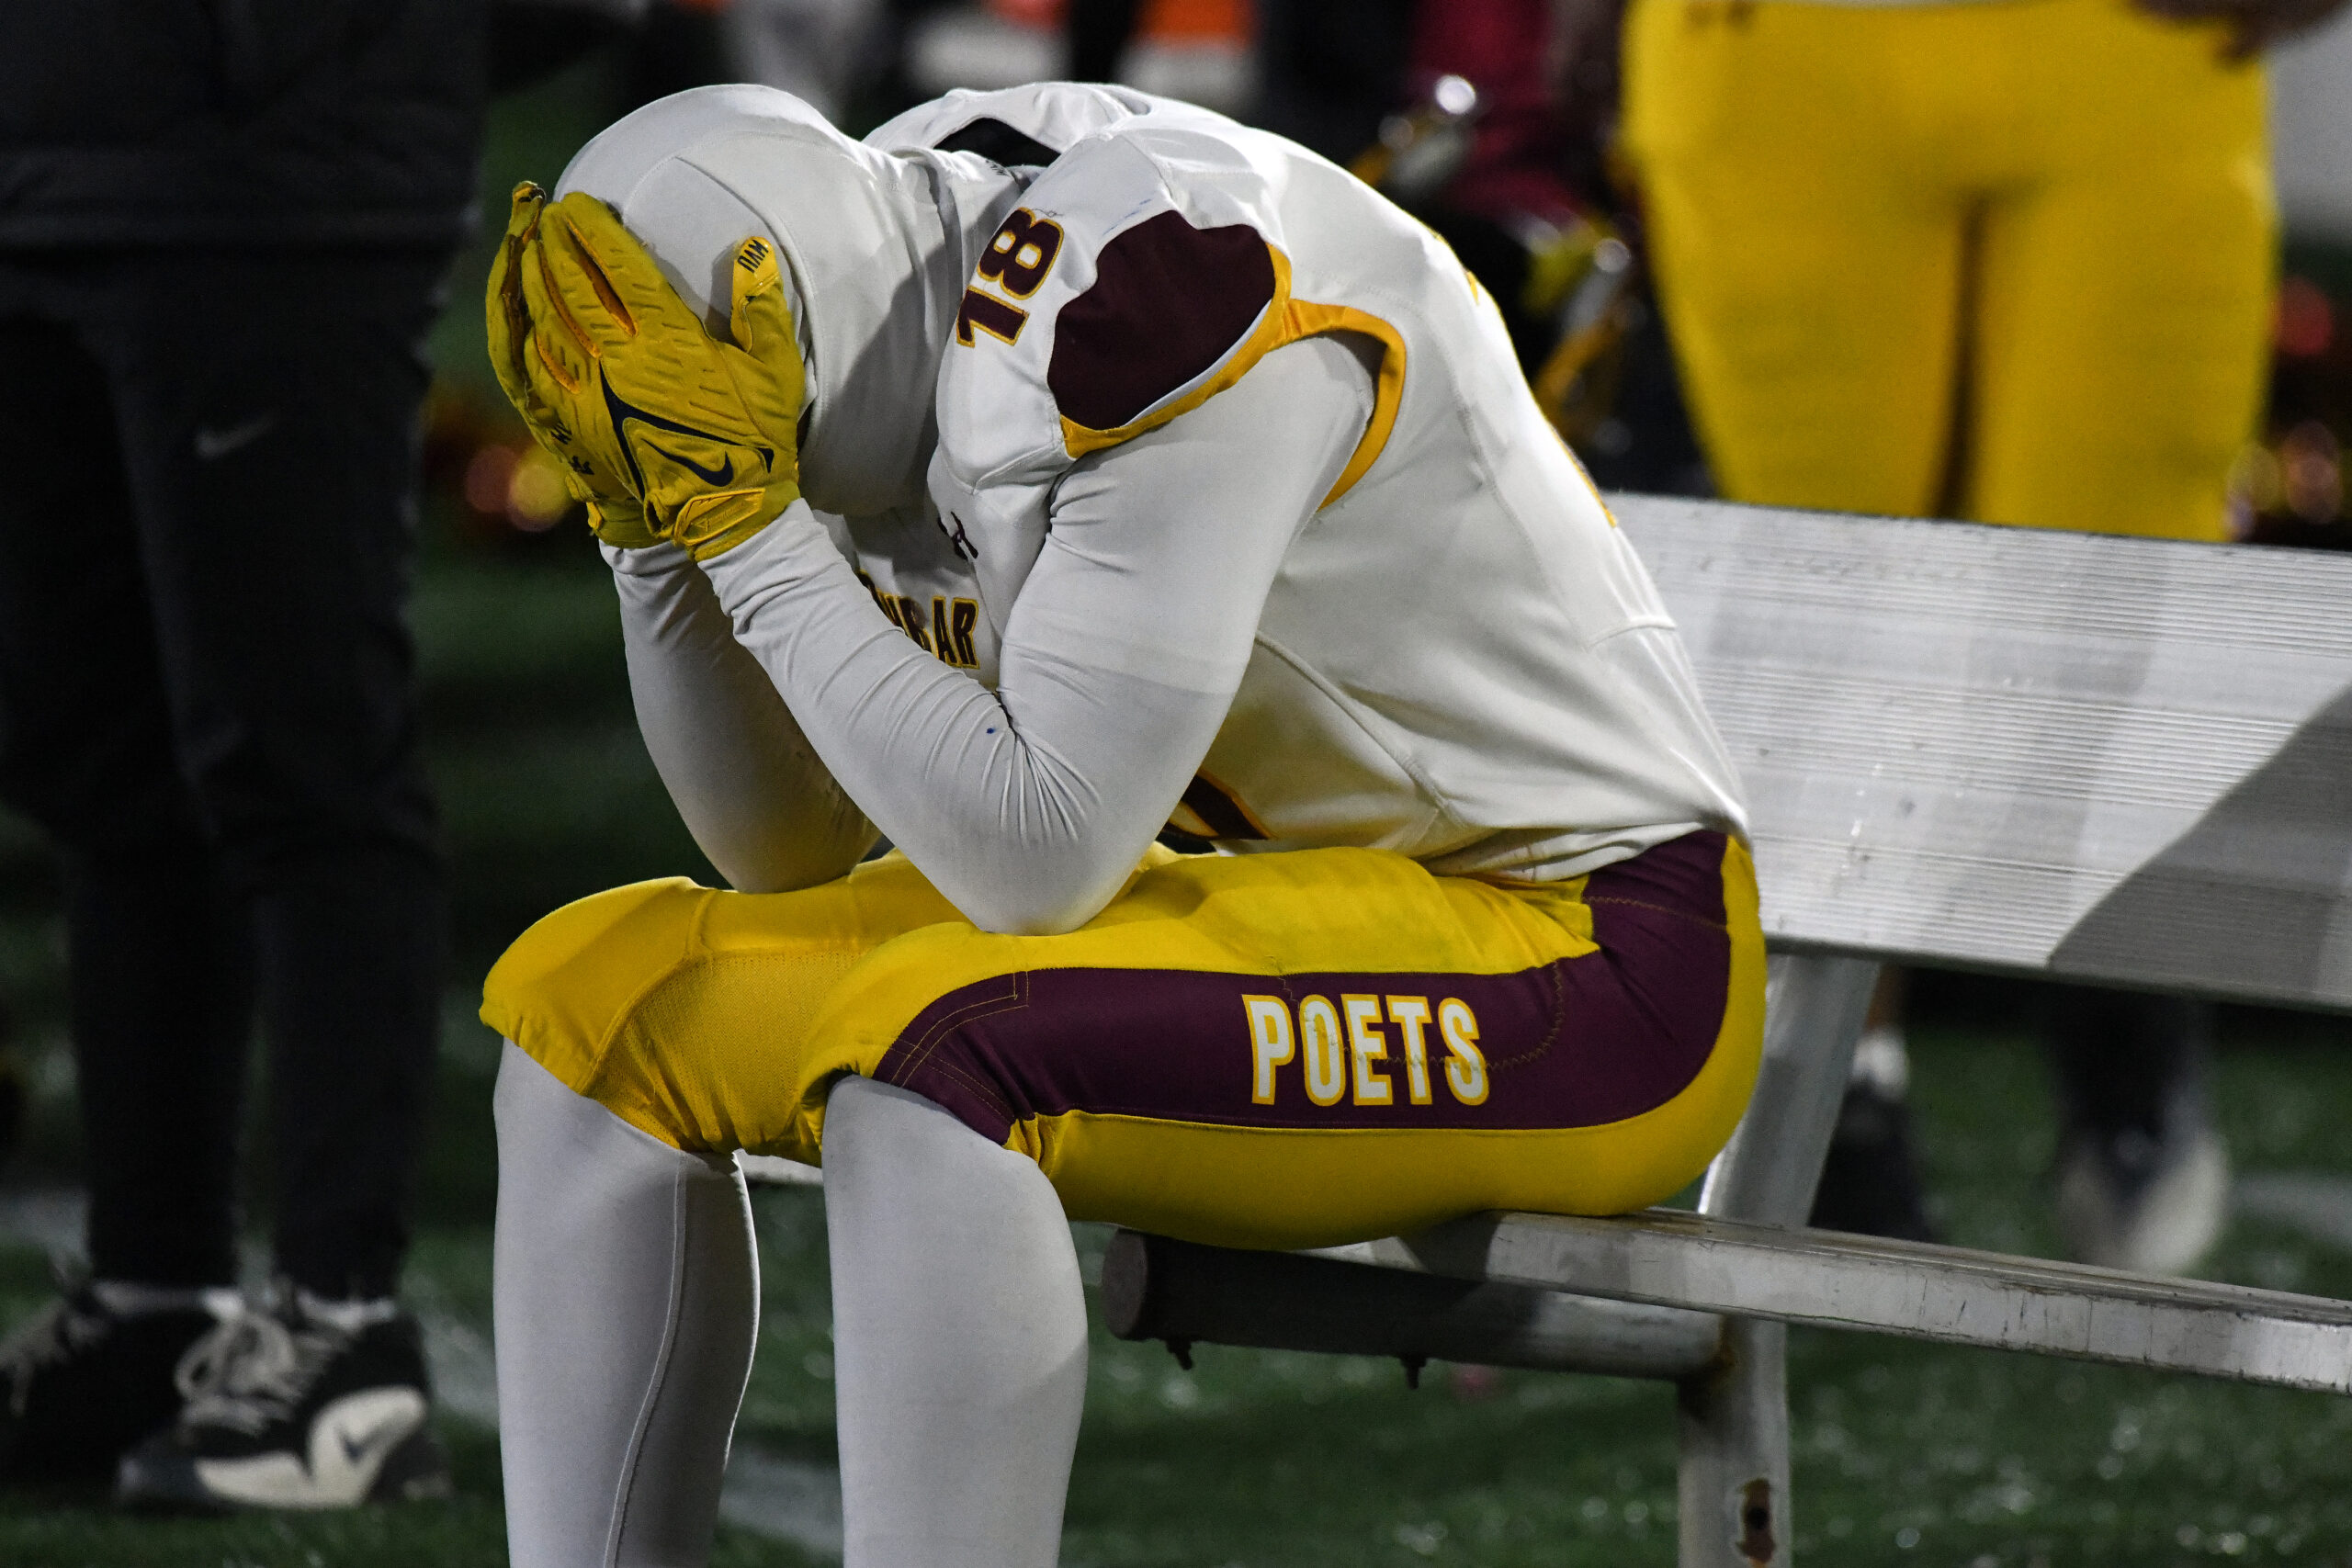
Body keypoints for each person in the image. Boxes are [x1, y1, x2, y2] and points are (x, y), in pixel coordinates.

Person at [481, 81, 1758, 1566]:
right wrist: (649, 528)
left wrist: (747, 535)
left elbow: (1039, 857)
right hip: (1301, 895)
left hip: (1598, 954)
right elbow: (780, 849)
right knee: (592, 1003)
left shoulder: (1146, 291)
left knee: (948, 1050)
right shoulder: (850, 272)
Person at [1621, 0, 2348, 1268]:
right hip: (1779, 45)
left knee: (2114, 594)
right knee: (1819, 610)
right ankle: (1844, 1078)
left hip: (2128, 40)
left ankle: (2125, 1018)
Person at [0, 0, 480, 1506]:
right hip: (53, 170)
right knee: (100, 762)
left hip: (282, 181)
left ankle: (345, 1329)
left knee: (304, 758)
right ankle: (154, 1297)